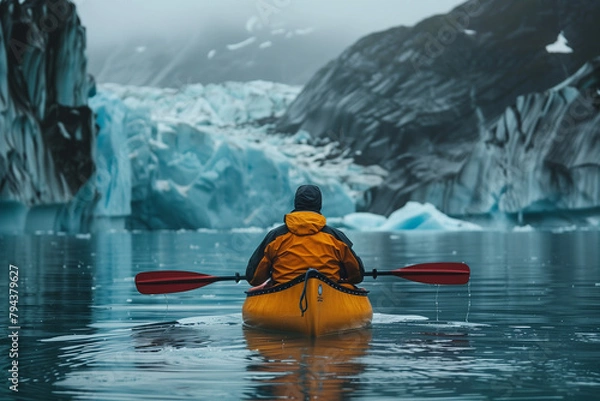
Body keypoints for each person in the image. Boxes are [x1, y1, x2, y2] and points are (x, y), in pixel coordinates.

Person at [246, 184, 365, 287]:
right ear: (319, 204)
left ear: (296, 203)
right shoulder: (336, 237)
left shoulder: (275, 236)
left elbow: (254, 278)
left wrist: (271, 274)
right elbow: (357, 276)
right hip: (328, 296)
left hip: (283, 297)